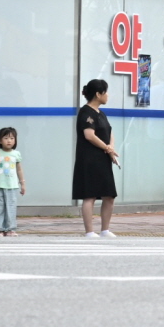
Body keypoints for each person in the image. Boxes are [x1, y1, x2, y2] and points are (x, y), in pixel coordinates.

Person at [72, 79, 118, 239]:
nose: (108, 95)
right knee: (89, 195)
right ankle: (90, 231)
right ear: (98, 94)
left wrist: (110, 148)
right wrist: (107, 147)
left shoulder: (101, 113)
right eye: (105, 92)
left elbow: (110, 132)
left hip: (103, 159)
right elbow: (89, 135)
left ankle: (105, 229)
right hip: (89, 159)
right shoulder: (85, 112)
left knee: (109, 195)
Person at [0, 127, 22, 237]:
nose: (9, 141)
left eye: (12, 138)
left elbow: (19, 169)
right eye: (6, 138)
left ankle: (11, 229)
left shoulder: (16, 154)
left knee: (11, 207)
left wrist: (22, 183)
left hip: (12, 186)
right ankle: (0, 229)